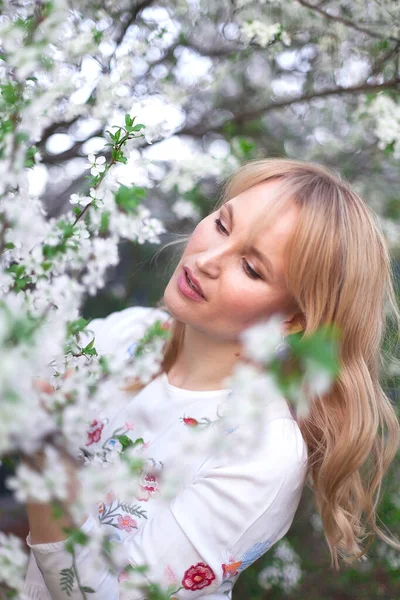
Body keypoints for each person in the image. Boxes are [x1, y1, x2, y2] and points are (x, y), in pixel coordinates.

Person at [22, 158, 400, 599]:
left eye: (252, 268)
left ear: (293, 320)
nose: (207, 259)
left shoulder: (263, 454)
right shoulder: (131, 333)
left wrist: (40, 450)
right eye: (222, 225)